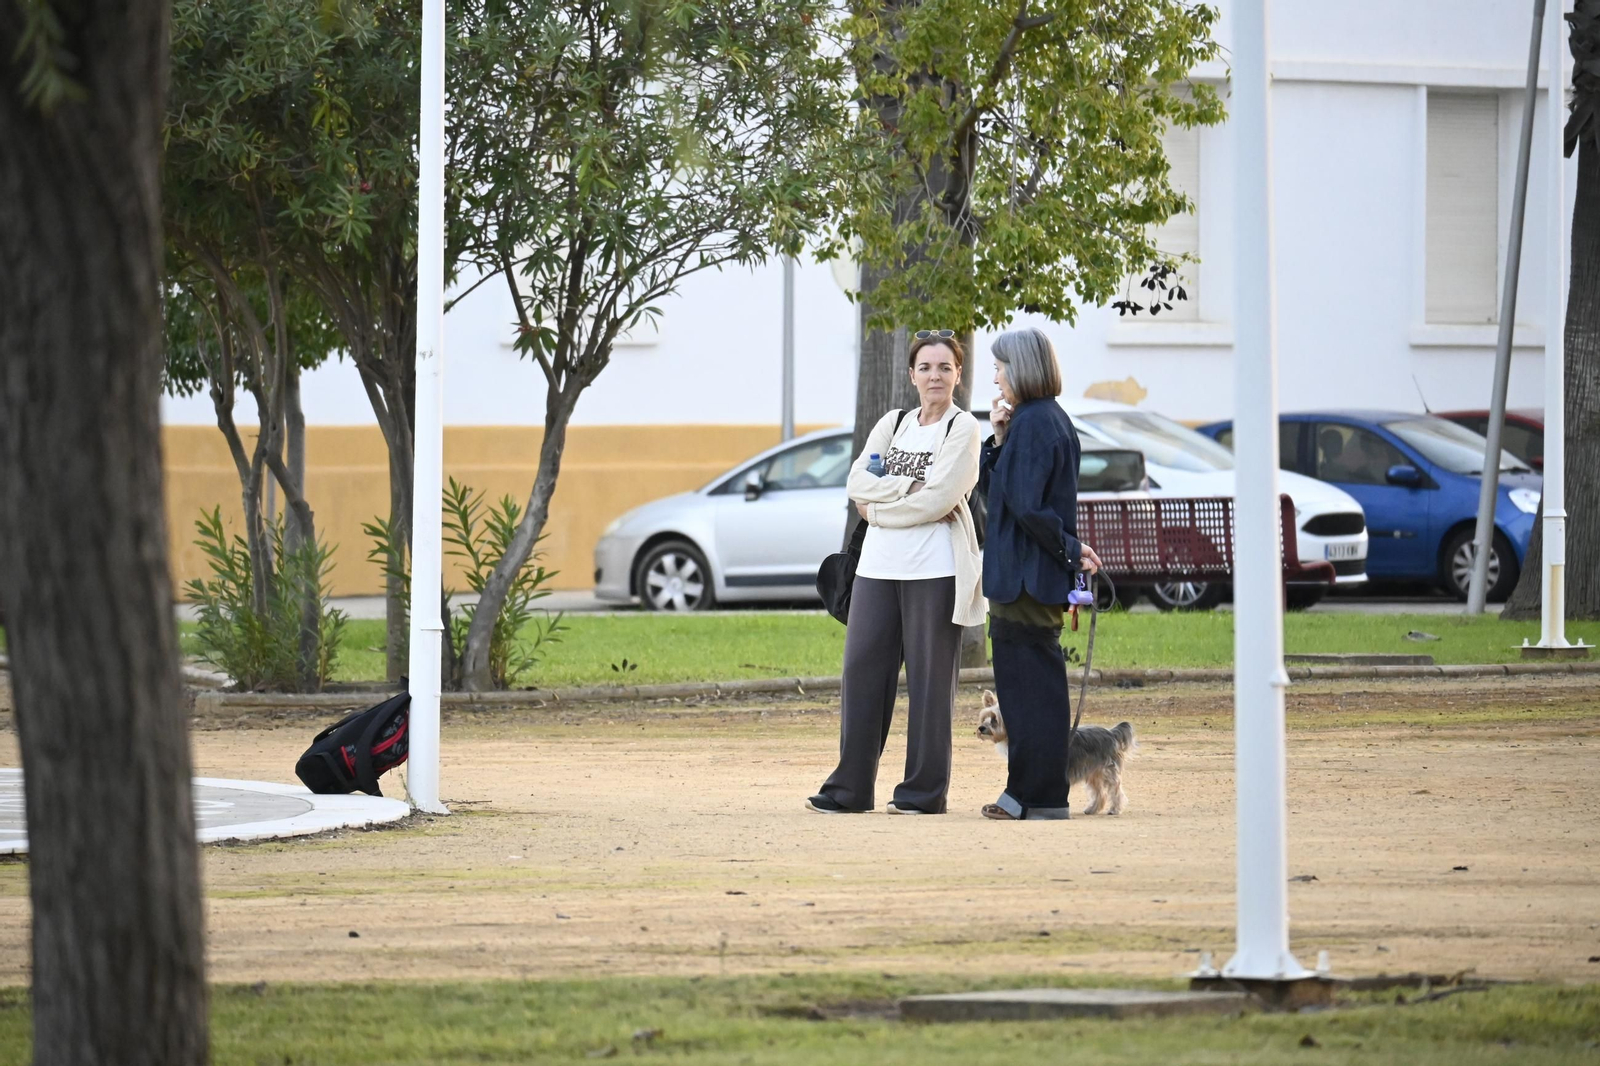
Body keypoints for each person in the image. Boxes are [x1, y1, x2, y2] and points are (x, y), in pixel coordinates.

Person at [807, 330, 987, 815]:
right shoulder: (894, 422)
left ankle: (922, 793)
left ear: (958, 376)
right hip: (877, 569)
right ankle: (850, 790)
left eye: (944, 368)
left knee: (931, 684)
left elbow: (942, 496)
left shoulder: (963, 429)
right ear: (912, 375)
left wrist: (882, 503)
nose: (935, 376)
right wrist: (908, 488)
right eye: (926, 367)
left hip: (935, 570)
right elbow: (857, 481)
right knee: (862, 671)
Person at [978, 327, 1101, 821]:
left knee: (1030, 694)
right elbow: (1005, 495)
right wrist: (998, 440)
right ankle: (1033, 793)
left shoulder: (1037, 422)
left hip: (1025, 578)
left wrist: (1070, 550)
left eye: (1000, 368)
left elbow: (1026, 507)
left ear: (1022, 368)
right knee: (1032, 691)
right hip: (1027, 576)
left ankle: (1034, 795)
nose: (996, 377)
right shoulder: (1036, 421)